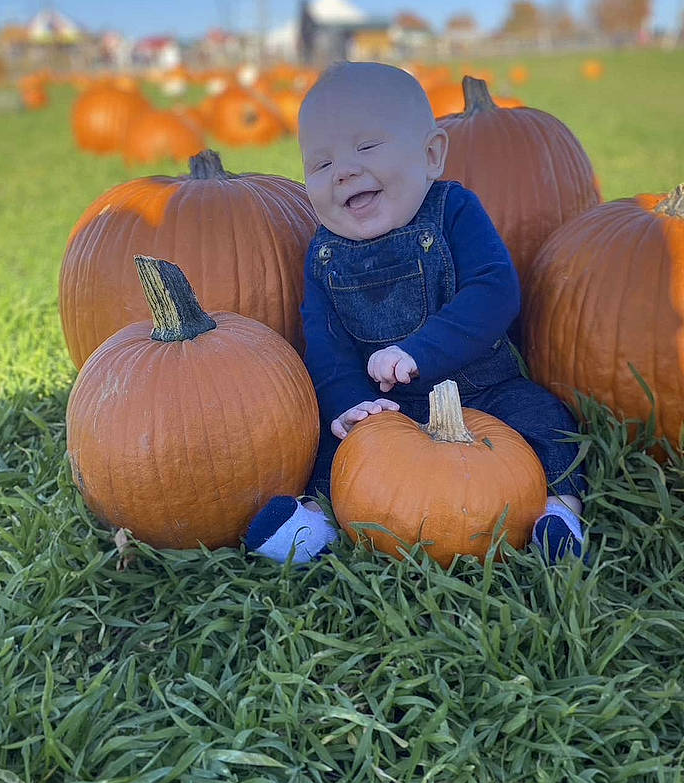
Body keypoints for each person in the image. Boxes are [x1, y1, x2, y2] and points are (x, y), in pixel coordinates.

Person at [245, 62, 586, 565]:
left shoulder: (454, 211)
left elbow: (494, 291)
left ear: (430, 155)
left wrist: (419, 350)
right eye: (319, 165)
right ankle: (313, 522)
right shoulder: (323, 253)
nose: (342, 171)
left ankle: (558, 514)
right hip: (387, 410)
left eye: (365, 148)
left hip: (484, 389)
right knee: (329, 446)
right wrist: (348, 402)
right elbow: (325, 343)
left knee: (546, 420)